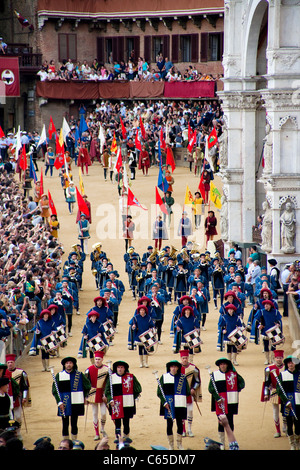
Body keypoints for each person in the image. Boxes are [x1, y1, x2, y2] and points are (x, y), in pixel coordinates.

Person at [208, 357, 245, 449]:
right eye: (221, 364)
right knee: (220, 421)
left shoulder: (234, 374)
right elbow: (210, 389)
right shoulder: (214, 375)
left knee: (230, 421)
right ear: (219, 366)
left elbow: (242, 383)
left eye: (224, 364)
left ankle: (230, 441)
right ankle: (221, 443)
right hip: (220, 402)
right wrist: (217, 398)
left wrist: (236, 389)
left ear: (227, 365)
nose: (223, 365)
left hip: (231, 401)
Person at [52, 356, 91, 440]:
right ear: (64, 365)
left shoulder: (80, 375)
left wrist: (85, 397)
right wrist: (59, 402)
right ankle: (65, 442)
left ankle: (74, 442)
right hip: (64, 403)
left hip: (76, 402)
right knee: (65, 424)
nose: (68, 365)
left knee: (74, 423)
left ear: (73, 364)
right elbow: (55, 390)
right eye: (67, 363)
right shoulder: (59, 375)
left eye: (70, 363)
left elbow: (88, 386)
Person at [104, 360, 142, 446]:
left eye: (122, 367)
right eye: (118, 367)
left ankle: (126, 438)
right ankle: (118, 439)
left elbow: (138, 389)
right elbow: (107, 391)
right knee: (117, 423)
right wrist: (110, 400)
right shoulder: (111, 378)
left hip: (127, 403)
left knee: (126, 422)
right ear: (116, 368)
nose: (120, 369)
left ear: (125, 369)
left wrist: (133, 396)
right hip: (116, 404)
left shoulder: (131, 377)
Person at [157, 359, 191, 450]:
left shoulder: (183, 378)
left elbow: (187, 391)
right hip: (168, 404)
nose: (173, 368)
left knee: (180, 424)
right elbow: (159, 392)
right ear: (169, 368)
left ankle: (179, 444)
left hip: (180, 403)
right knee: (169, 424)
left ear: (178, 368)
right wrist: (164, 402)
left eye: (175, 366)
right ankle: (171, 445)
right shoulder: (164, 377)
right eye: (172, 366)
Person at [261, 349, 287, 438]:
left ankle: (285, 428)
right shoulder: (269, 368)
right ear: (274, 358)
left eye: (280, 358)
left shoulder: (286, 367)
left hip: (284, 392)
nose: (279, 359)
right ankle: (277, 430)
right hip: (274, 391)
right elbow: (267, 382)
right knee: (275, 411)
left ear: (282, 358)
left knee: (285, 410)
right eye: (277, 358)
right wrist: (266, 393)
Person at [276, 355, 300, 450]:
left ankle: (297, 442)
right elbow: (279, 390)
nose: (291, 364)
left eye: (292, 362)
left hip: (298, 402)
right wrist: (286, 402)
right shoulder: (282, 375)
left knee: (298, 423)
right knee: (289, 423)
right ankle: (292, 443)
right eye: (289, 363)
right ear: (287, 364)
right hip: (287, 403)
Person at [85, 350, 109, 441]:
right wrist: (86, 396)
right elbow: (86, 383)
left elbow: (109, 383)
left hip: (103, 393)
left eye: (99, 359)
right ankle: (96, 433)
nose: (97, 360)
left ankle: (102, 429)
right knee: (95, 414)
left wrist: (106, 394)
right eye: (96, 359)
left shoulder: (107, 369)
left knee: (103, 413)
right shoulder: (89, 369)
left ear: (102, 359)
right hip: (92, 393)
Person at [5, 354, 31, 436]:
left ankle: (18, 432)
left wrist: (24, 397)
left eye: (11, 362)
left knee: (18, 416)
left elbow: (25, 386)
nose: (10, 364)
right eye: (8, 362)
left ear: (14, 362)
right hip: (6, 398)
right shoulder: (3, 373)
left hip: (17, 398)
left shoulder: (20, 372)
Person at [179, 349, 202, 438]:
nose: (185, 359)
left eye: (186, 358)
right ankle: (183, 430)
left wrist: (194, 388)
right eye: (183, 358)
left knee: (190, 411)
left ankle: (189, 429)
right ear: (181, 358)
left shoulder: (194, 368)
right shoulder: (177, 368)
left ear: (188, 358)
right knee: (182, 411)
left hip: (190, 394)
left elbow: (197, 381)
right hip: (180, 394)